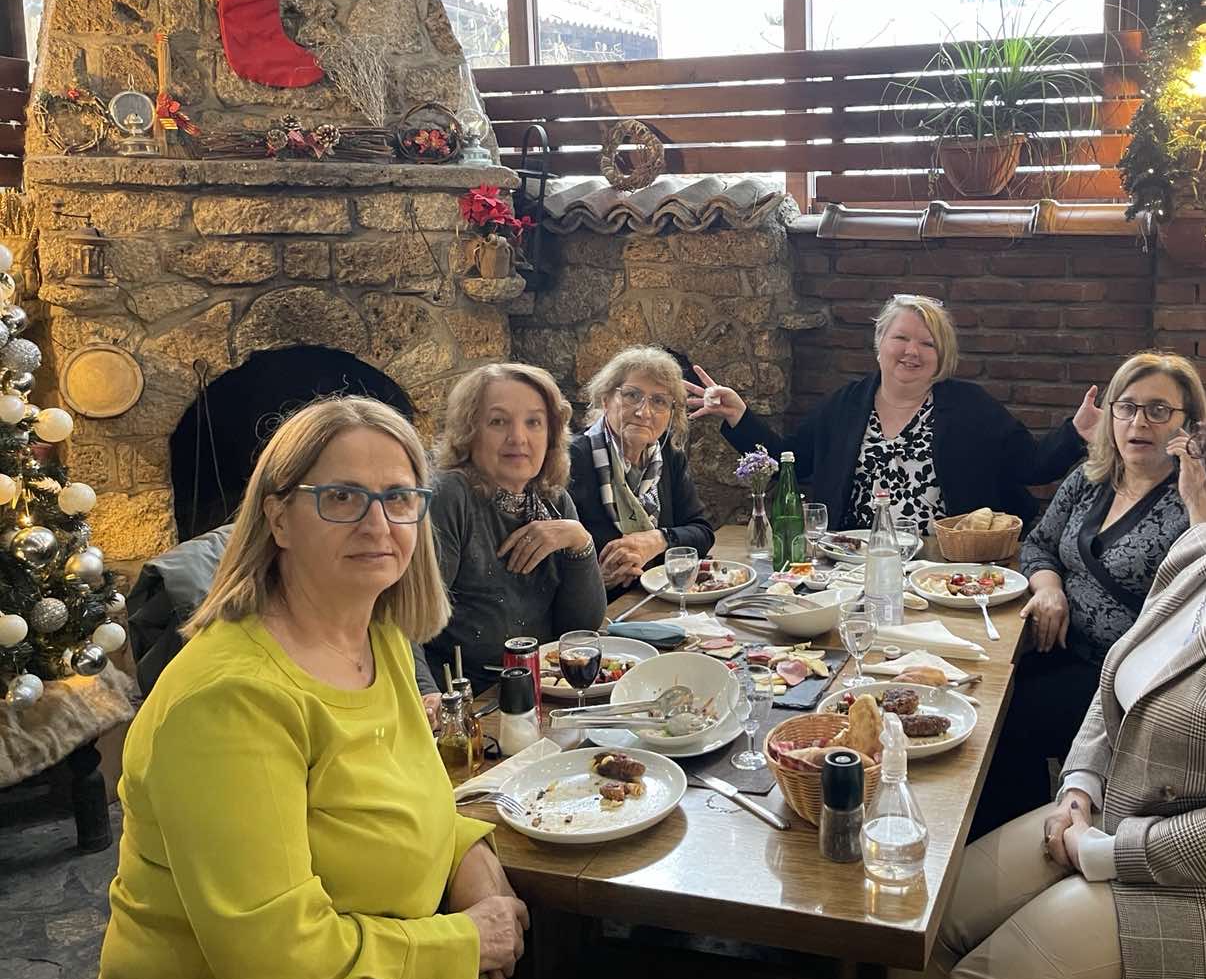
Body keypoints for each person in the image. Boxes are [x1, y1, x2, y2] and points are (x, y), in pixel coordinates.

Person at [922, 376, 1206, 979]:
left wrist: (1099, 853)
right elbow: (1117, 684)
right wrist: (1079, 788)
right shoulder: (1200, 552)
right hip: (1110, 813)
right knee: (925, 921)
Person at [99, 397, 530, 979]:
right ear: (278, 520)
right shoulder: (231, 699)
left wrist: (471, 860)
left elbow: (407, 803)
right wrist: (467, 941)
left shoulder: (378, 635)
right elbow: (281, 965)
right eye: (343, 498)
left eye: (399, 498)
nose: (378, 526)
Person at [971, 351, 1206, 838]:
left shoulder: (1194, 501)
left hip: (1119, 677)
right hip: (1051, 645)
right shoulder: (1092, 476)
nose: (1139, 422)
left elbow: (1202, 600)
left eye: (1159, 410)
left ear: (1189, 426)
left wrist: (1201, 496)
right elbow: (1036, 541)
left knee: (1001, 723)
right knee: (976, 684)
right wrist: (1050, 586)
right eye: (1127, 407)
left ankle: (1001, 843)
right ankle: (1003, 829)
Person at [688, 293, 1097, 533]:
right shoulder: (845, 405)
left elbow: (1030, 466)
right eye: (900, 337)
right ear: (880, 342)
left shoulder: (972, 407)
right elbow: (789, 462)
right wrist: (739, 417)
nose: (911, 351)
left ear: (943, 356)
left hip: (944, 570)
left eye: (927, 343)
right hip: (851, 563)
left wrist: (1075, 433)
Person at [414, 362, 605, 706]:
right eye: (498, 421)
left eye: (533, 422)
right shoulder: (450, 496)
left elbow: (582, 629)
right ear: (470, 432)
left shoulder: (553, 497)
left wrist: (580, 541)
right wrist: (429, 697)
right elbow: (406, 622)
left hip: (546, 688)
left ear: (550, 435)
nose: (518, 438)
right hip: (475, 701)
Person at [567, 345, 716, 593]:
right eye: (632, 395)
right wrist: (596, 579)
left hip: (656, 599)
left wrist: (658, 540)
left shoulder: (669, 457)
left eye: (659, 401)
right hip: (599, 610)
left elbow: (701, 532)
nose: (643, 412)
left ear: (670, 414)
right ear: (606, 399)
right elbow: (551, 566)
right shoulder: (573, 459)